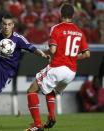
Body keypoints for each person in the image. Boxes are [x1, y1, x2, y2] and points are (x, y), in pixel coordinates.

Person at [25, 3, 90, 131]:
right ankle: (51, 116)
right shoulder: (79, 32)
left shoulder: (56, 28)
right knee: (51, 91)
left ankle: (37, 125)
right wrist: (71, 57)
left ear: (60, 14)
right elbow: (87, 54)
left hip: (58, 67)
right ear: (73, 15)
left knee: (31, 90)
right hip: (71, 72)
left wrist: (45, 50)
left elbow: (53, 50)